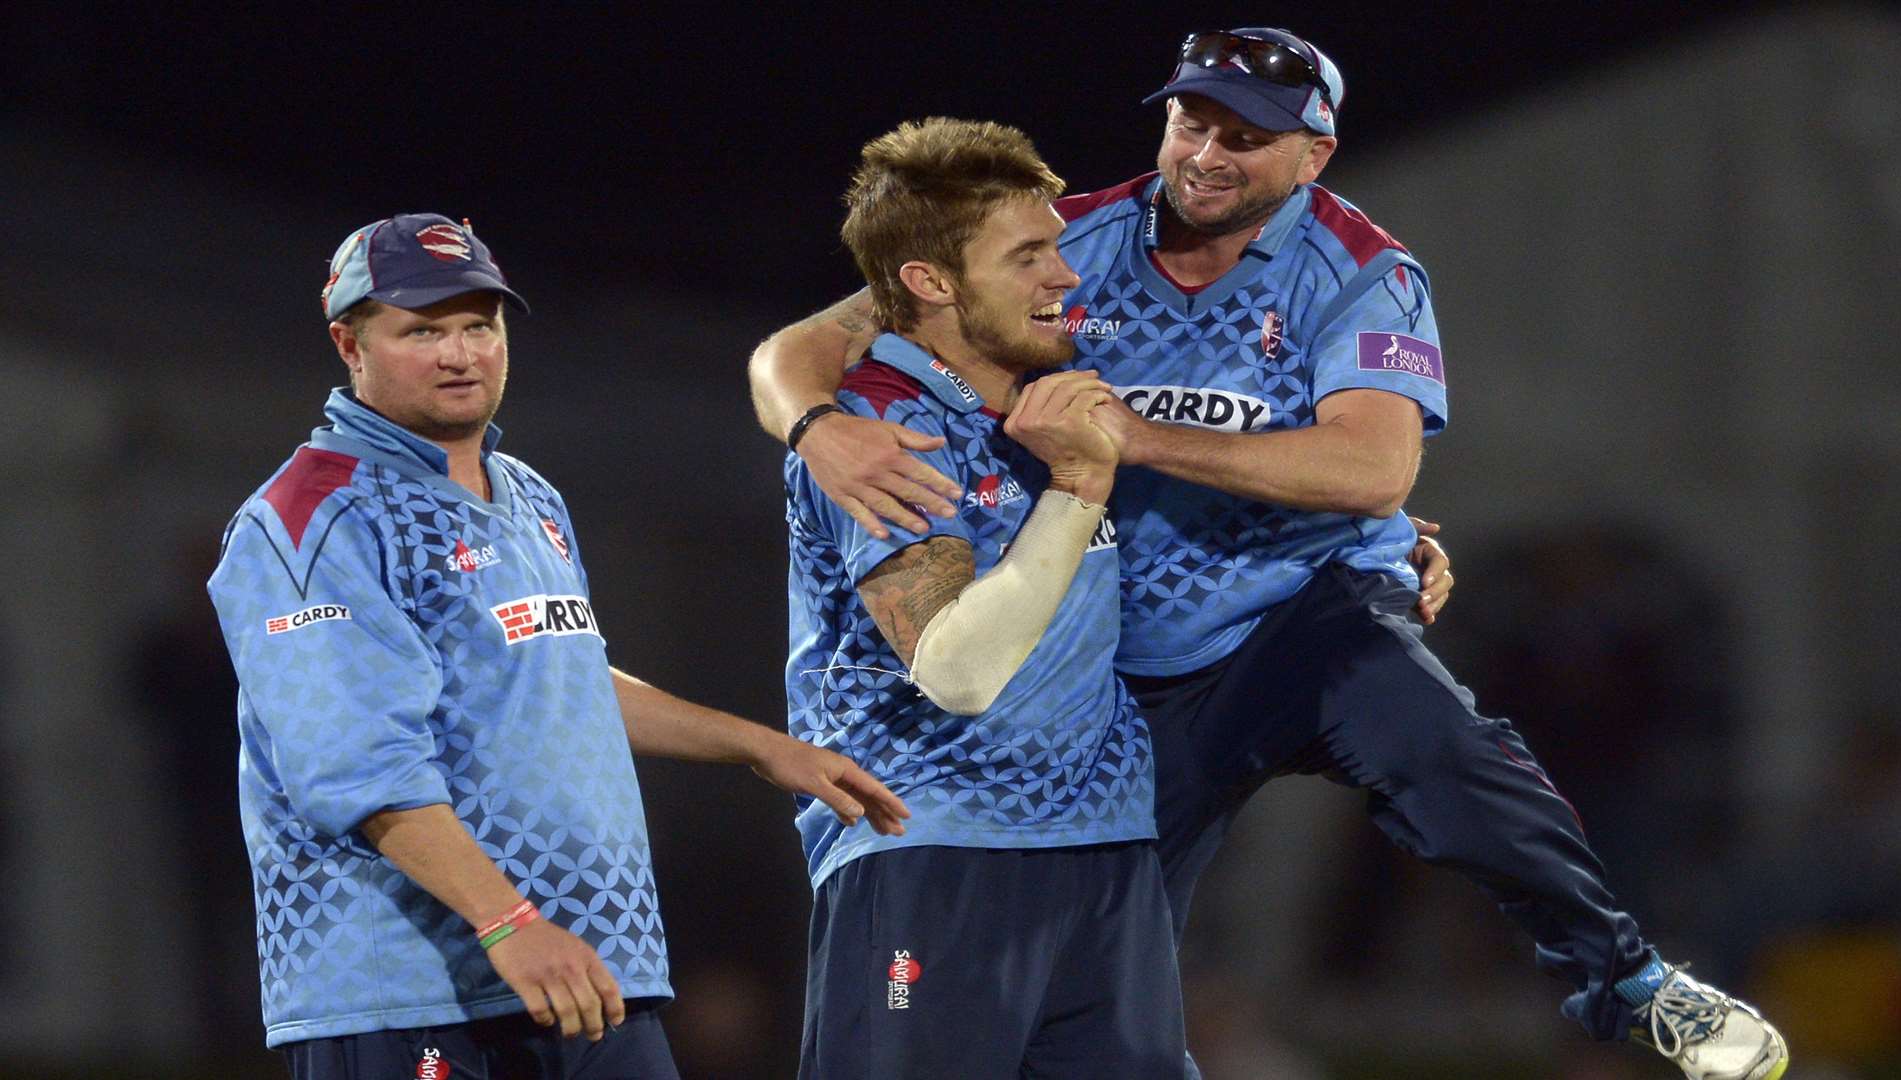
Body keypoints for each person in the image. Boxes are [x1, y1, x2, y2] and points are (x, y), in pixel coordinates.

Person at [748, 28, 1789, 1080]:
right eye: (1191, 121)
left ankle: (1629, 982)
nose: (1206, 153)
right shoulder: (1068, 242)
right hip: (1130, 677)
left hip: (1301, 617)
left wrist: (1131, 438)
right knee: (1091, 940)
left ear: (1313, 155)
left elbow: (1375, 471)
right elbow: (803, 344)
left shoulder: (1361, 269)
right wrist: (815, 427)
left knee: (1445, 754)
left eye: (1247, 137)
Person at [206, 213, 910, 1080]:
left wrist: (759, 746)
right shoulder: (311, 517)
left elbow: (556, 677)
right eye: (422, 331)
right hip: (412, 990)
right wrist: (507, 923)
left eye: (479, 325)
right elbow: (357, 768)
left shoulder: (527, 491)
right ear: (348, 344)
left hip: (587, 967)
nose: (461, 353)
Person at [784, 118, 1184, 1078]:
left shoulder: (1045, 400)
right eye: (1029, 256)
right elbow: (957, 672)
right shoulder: (884, 425)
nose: (1066, 277)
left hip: (1107, 852)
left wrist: (1386, 549)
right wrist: (1079, 489)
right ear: (931, 282)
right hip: (933, 851)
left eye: (1056, 247)